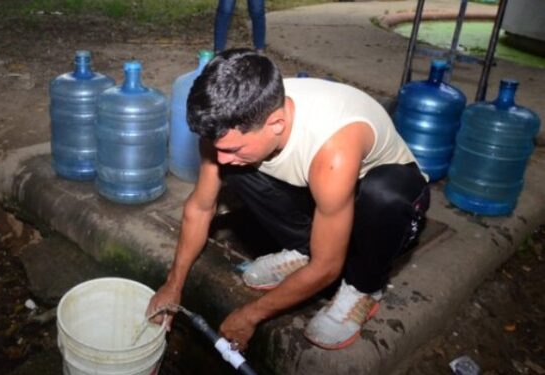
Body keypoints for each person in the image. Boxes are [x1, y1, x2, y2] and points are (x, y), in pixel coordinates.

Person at [146, 49, 430, 351]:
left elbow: (328, 267)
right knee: (236, 168)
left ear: (277, 124)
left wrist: (250, 315)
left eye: (234, 148)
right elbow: (201, 208)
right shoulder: (232, 122)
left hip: (384, 195)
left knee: (382, 197)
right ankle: (304, 249)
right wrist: (172, 284)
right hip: (321, 191)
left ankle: (363, 289)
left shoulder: (333, 150)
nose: (221, 157)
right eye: (220, 147)